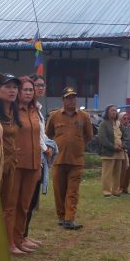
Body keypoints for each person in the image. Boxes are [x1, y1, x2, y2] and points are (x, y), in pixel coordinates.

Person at [45, 88, 93, 230]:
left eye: (74, 97)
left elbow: (89, 135)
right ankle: (61, 216)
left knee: (73, 191)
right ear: (63, 100)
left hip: (76, 160)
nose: (72, 100)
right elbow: (48, 135)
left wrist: (78, 145)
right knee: (59, 190)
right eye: (69, 98)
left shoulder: (84, 116)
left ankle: (69, 218)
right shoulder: (54, 116)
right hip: (58, 159)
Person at [4, 76, 42, 255]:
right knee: (11, 205)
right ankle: (8, 242)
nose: (28, 93)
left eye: (30, 90)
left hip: (34, 164)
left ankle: (20, 238)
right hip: (17, 164)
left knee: (25, 205)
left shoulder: (35, 110)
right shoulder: (12, 110)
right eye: (24, 89)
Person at [24, 74, 53, 242]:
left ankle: (25, 235)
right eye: (36, 85)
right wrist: (44, 147)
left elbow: (41, 134)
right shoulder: (25, 109)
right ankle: (19, 237)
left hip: (39, 158)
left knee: (32, 200)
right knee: (25, 201)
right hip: (29, 157)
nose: (39, 88)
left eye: (42, 85)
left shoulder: (38, 109)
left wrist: (48, 145)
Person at [0, 74, 21, 241]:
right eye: (7, 87)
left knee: (8, 205)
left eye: (14, 87)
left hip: (11, 164)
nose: (12, 91)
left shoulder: (14, 111)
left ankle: (7, 241)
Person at [98, 104, 126, 197]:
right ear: (107, 112)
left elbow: (125, 136)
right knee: (107, 173)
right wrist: (113, 147)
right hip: (108, 152)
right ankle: (106, 191)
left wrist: (123, 145)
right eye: (112, 110)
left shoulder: (118, 123)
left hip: (120, 152)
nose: (114, 112)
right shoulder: (103, 124)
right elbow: (103, 139)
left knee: (117, 173)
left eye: (115, 110)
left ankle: (115, 190)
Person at [118, 111, 130, 195]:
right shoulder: (118, 128)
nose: (126, 120)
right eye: (124, 119)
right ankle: (120, 188)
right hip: (123, 152)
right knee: (122, 171)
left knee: (128, 172)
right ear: (119, 119)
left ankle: (126, 188)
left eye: (128, 119)